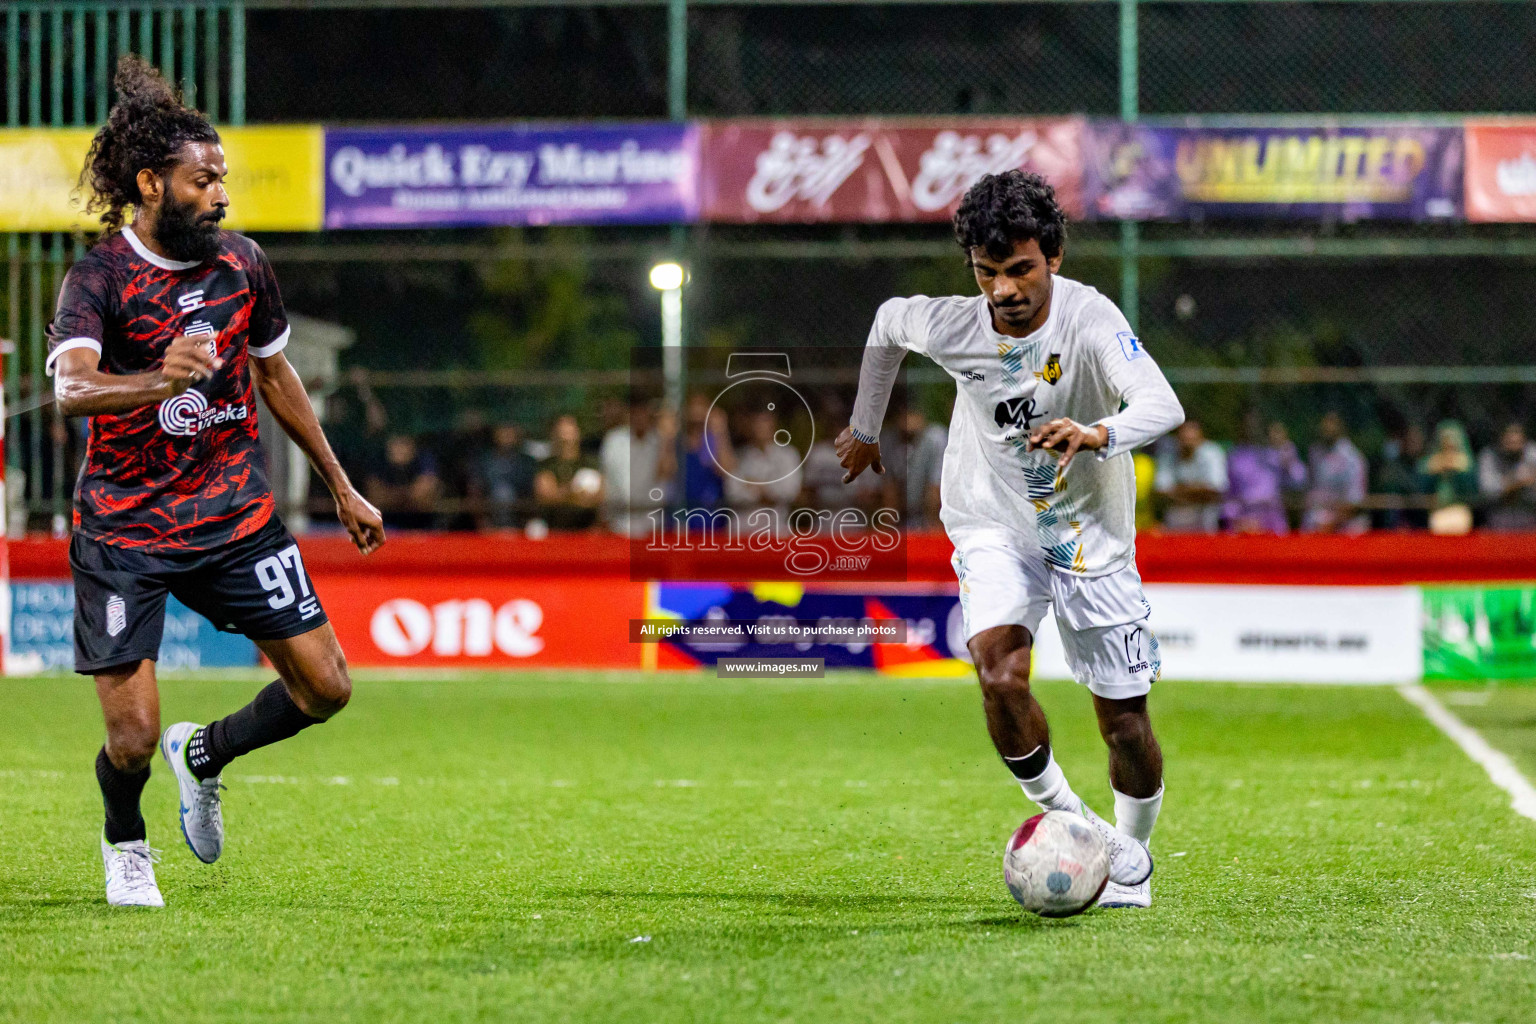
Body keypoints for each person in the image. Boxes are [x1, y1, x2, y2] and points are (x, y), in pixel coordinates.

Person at [48, 57, 385, 908]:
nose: (222, 194)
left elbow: (276, 377)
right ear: (151, 183)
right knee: (130, 740)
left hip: (236, 518)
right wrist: (162, 380)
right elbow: (71, 388)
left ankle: (205, 757)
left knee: (326, 687)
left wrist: (341, 486)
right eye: (205, 181)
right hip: (126, 533)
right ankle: (126, 839)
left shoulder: (241, 265)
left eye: (223, 178)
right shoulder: (99, 279)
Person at [837, 170, 1183, 909]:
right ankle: (1074, 821)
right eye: (987, 273)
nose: (1003, 289)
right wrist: (866, 427)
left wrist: (1098, 433)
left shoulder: (1090, 319)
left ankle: (1133, 857)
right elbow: (886, 325)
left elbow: (1162, 402)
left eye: (1020, 268)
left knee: (1124, 724)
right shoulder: (956, 324)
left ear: (1052, 257)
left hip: (1088, 536)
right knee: (997, 672)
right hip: (993, 523)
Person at [598, 395, 677, 538]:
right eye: (635, 412)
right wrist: (603, 519)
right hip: (618, 524)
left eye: (643, 411)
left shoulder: (659, 441)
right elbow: (605, 479)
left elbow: (666, 473)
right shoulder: (614, 440)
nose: (639, 417)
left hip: (651, 525)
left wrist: (667, 440)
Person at [1222, 413, 1306, 535]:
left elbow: (1299, 480)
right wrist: (1235, 518)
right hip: (1244, 516)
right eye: (1248, 426)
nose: (1252, 430)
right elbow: (1229, 494)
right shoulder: (1235, 457)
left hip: (1272, 514)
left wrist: (1285, 451)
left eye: (1256, 426)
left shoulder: (1278, 453)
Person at [724, 408, 804, 524]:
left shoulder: (788, 455)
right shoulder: (739, 456)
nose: (760, 427)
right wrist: (770, 491)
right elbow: (733, 492)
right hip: (743, 530)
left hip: (776, 529)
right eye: (756, 422)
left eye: (764, 421)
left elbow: (789, 491)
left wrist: (753, 485)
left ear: (773, 424)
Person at [1153, 419, 1227, 533]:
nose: (1187, 437)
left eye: (1191, 434)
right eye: (1184, 433)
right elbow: (1161, 491)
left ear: (1201, 436)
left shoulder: (1212, 453)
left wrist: (1179, 490)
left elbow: (1216, 489)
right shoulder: (1168, 455)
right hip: (1176, 519)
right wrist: (1199, 492)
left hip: (1205, 519)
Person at [1302, 411, 1369, 534]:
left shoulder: (1352, 457)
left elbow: (1355, 499)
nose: (1327, 427)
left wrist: (1330, 524)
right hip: (1315, 523)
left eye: (1332, 423)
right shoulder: (1314, 453)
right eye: (1325, 423)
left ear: (1341, 426)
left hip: (1343, 526)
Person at [533, 414, 603, 530]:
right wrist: (574, 493)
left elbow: (599, 496)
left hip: (587, 528)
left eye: (569, 431)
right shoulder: (546, 465)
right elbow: (546, 495)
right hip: (555, 529)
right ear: (554, 435)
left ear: (578, 433)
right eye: (561, 432)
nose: (566, 436)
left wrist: (564, 494)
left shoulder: (590, 463)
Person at [471, 422, 539, 530]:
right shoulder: (484, 461)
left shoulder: (527, 462)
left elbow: (534, 494)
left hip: (521, 521)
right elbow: (475, 492)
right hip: (491, 523)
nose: (506, 434)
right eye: (503, 429)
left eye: (510, 430)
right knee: (502, 493)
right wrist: (483, 525)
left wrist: (527, 524)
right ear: (495, 433)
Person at [366, 434, 441, 530]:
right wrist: (407, 495)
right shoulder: (379, 462)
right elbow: (375, 496)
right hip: (385, 525)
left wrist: (391, 496)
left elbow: (422, 496)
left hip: (422, 524)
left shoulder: (423, 459)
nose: (400, 448)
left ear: (412, 445)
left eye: (404, 443)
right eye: (396, 443)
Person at [1417, 420, 1478, 534]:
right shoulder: (1431, 462)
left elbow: (1472, 492)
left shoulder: (1467, 462)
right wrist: (1434, 471)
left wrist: (1459, 471)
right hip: (1436, 510)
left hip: (1460, 510)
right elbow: (1421, 490)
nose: (1449, 444)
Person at [1479, 422, 1536, 532]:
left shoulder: (1533, 453)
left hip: (1530, 512)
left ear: (1524, 441)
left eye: (1517, 442)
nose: (1513, 446)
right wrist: (1515, 483)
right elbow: (1487, 491)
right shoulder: (1489, 455)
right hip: (1499, 516)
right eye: (1509, 442)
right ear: (1501, 440)